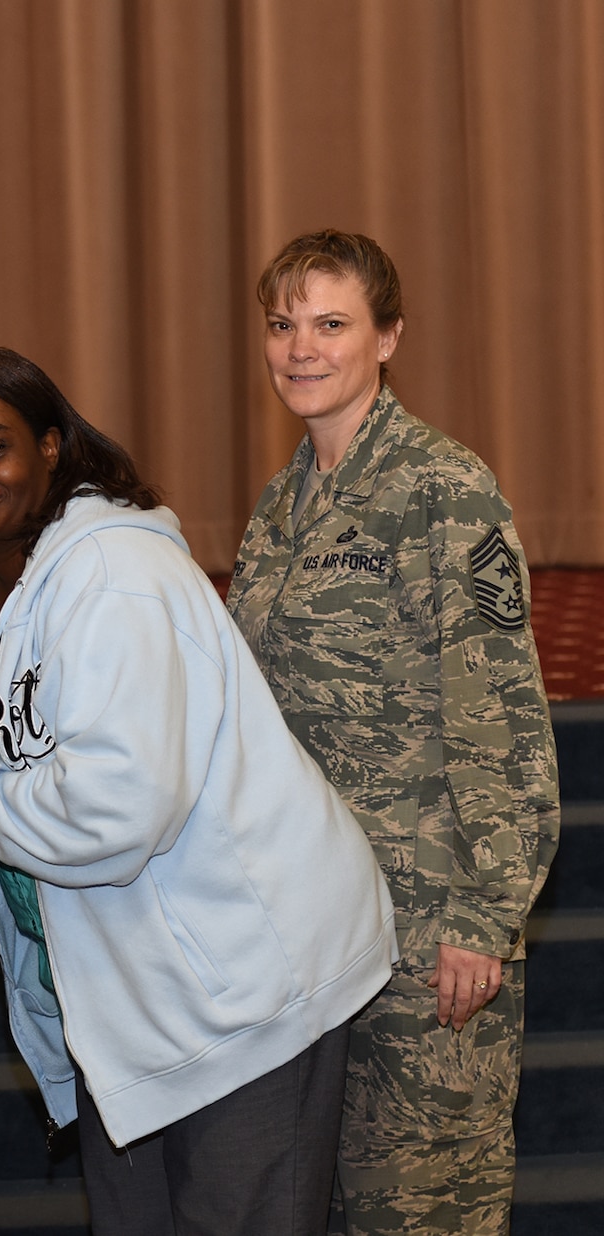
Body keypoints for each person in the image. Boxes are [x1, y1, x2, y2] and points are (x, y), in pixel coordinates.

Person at [0, 346, 397, 1233]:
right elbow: (35, 719)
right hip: (130, 998)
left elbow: (117, 810)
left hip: (240, 987)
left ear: (51, 446)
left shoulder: (114, 575)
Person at [226, 231, 561, 1234]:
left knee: (418, 1214)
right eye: (282, 325)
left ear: (386, 338)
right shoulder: (279, 505)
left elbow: (499, 709)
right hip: (313, 931)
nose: (299, 348)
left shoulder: (440, 488)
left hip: (423, 938)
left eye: (329, 324)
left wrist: (479, 916)